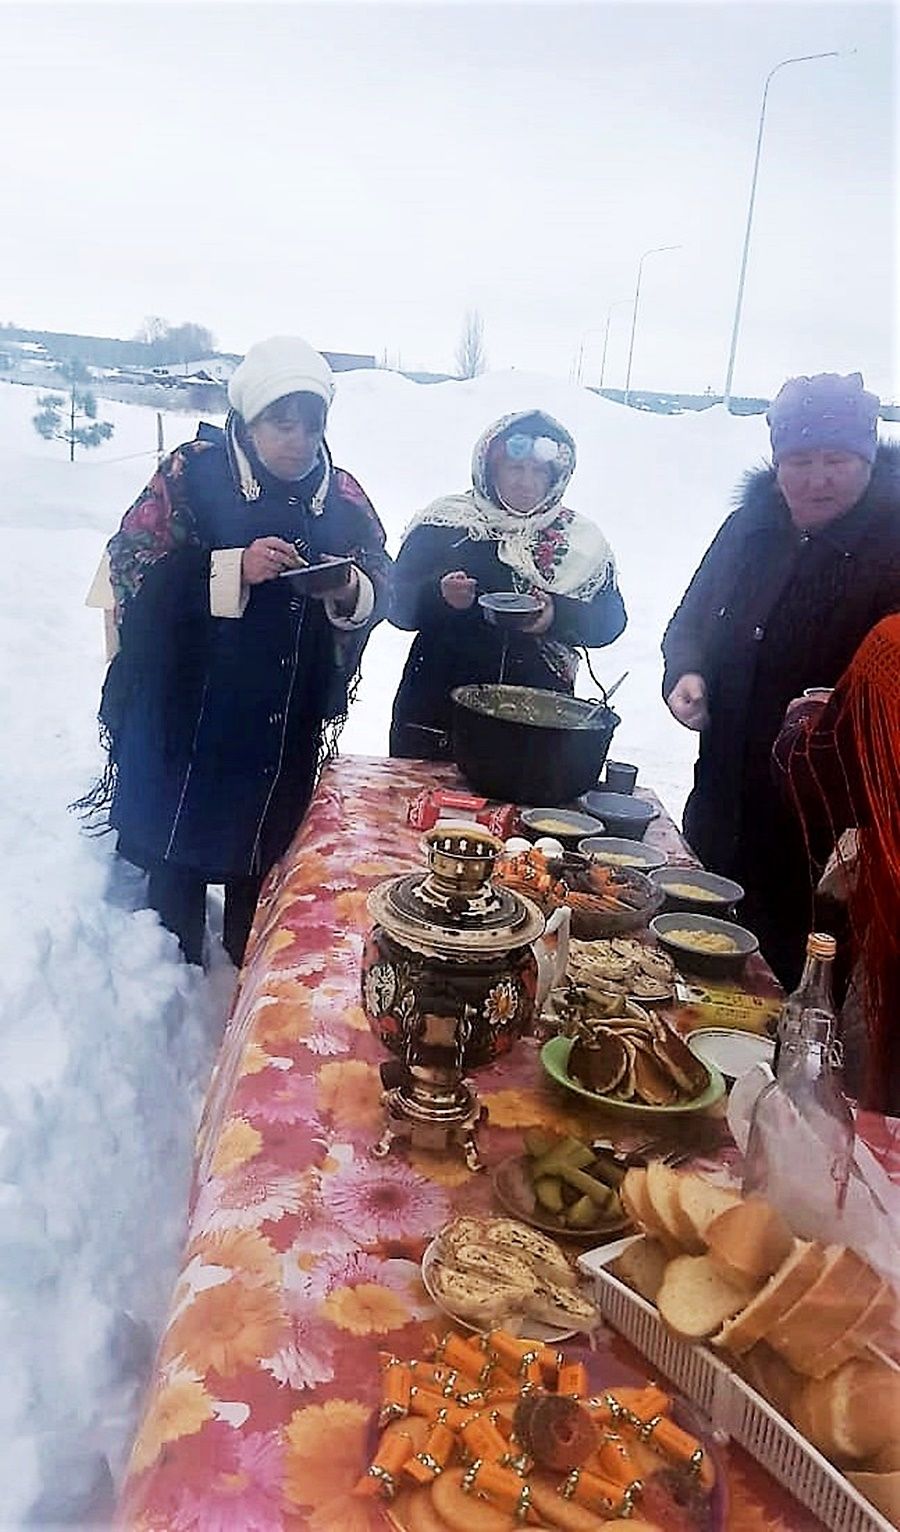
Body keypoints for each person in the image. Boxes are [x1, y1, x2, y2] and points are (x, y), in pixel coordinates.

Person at [85, 336, 390, 967]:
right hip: (189, 705)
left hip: (285, 715)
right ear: (248, 419)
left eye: (312, 425)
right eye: (283, 422)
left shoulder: (341, 495)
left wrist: (346, 585)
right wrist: (230, 570)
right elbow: (130, 564)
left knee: (266, 849)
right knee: (179, 855)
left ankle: (252, 978)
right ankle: (174, 983)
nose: (299, 440)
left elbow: (383, 580)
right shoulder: (192, 472)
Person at [662, 372, 900, 988]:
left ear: (868, 456)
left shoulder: (892, 545)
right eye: (800, 459)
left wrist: (846, 709)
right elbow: (689, 622)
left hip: (825, 839)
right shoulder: (748, 530)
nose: (816, 478)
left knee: (796, 995)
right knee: (691, 980)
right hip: (721, 804)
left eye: (836, 460)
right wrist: (686, 672)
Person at [388, 409, 626, 758]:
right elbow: (396, 605)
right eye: (515, 468)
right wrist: (440, 597)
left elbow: (610, 621)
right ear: (490, 468)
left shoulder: (578, 541)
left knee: (523, 813)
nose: (525, 482)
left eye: (538, 471)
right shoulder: (445, 524)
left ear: (555, 477)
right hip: (437, 718)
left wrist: (556, 617)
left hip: (537, 725)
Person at [773, 615, 900, 1113]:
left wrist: (800, 720)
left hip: (890, 957)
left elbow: (824, 772)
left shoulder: (891, 650)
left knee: (879, 1133)